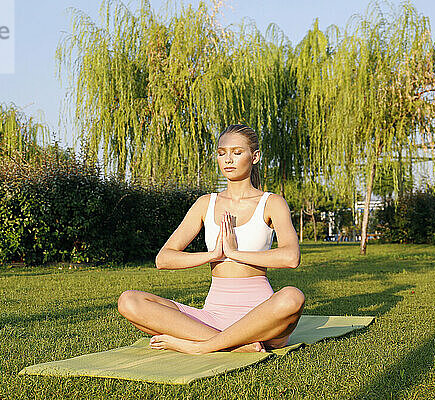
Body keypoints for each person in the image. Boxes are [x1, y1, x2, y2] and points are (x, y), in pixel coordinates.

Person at [117, 124, 304, 354]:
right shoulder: (206, 203)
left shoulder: (271, 202)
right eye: (222, 153)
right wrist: (213, 255)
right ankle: (235, 345)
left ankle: (202, 347)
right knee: (129, 301)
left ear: (254, 157)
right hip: (212, 317)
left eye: (237, 153)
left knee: (292, 297)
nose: (228, 160)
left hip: (261, 316)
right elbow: (164, 259)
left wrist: (235, 254)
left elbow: (291, 257)